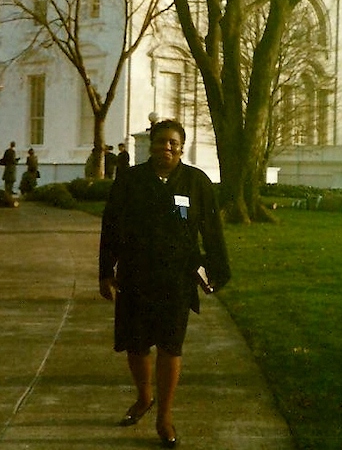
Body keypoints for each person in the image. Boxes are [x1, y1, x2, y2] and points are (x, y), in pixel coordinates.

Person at [99, 120, 230, 448]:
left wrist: (218, 270)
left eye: (173, 143)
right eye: (161, 142)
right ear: (151, 145)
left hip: (176, 279)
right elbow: (111, 226)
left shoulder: (196, 182)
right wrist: (105, 270)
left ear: (181, 147)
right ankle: (145, 397)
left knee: (171, 346)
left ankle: (164, 416)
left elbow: (212, 230)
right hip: (135, 275)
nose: (166, 148)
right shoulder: (130, 181)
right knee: (136, 345)